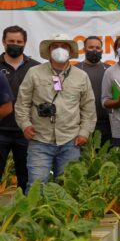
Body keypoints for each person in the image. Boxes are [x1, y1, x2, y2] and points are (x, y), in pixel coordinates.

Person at [14, 33, 96, 190]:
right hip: (39, 140)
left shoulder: (81, 76)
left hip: (71, 141)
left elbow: (88, 108)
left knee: (68, 188)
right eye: (55, 46)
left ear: (70, 51)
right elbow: (22, 103)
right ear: (49, 50)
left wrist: (84, 133)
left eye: (64, 46)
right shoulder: (34, 72)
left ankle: (63, 216)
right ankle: (35, 215)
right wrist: (25, 125)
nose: (60, 49)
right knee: (36, 187)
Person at [0, 25, 40, 192]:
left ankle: (26, 215)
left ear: (25, 43)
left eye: (19, 41)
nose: (15, 44)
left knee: (27, 177)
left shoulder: (36, 68)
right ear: (3, 42)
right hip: (0, 130)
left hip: (27, 131)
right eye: (11, 41)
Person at [77, 36, 112, 144]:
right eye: (91, 47)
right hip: (81, 125)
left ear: (102, 50)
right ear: (84, 50)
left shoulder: (110, 70)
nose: (94, 50)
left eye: (97, 48)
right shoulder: (75, 70)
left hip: (107, 124)